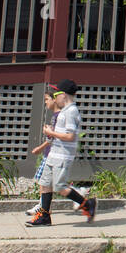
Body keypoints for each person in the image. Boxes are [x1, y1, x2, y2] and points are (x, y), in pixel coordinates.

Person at [26, 80, 96, 226]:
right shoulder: (64, 112)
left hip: (63, 156)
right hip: (53, 154)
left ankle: (87, 204)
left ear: (63, 95)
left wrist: (51, 132)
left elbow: (70, 136)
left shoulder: (71, 112)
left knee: (59, 187)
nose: (55, 97)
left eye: (56, 94)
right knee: (45, 184)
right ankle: (44, 217)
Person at [25, 85, 59, 218]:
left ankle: (43, 207)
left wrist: (40, 147)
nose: (45, 102)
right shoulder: (55, 116)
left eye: (46, 99)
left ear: (54, 99)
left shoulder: (58, 116)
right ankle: (43, 206)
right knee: (47, 182)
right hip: (50, 153)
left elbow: (53, 137)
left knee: (45, 182)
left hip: (51, 154)